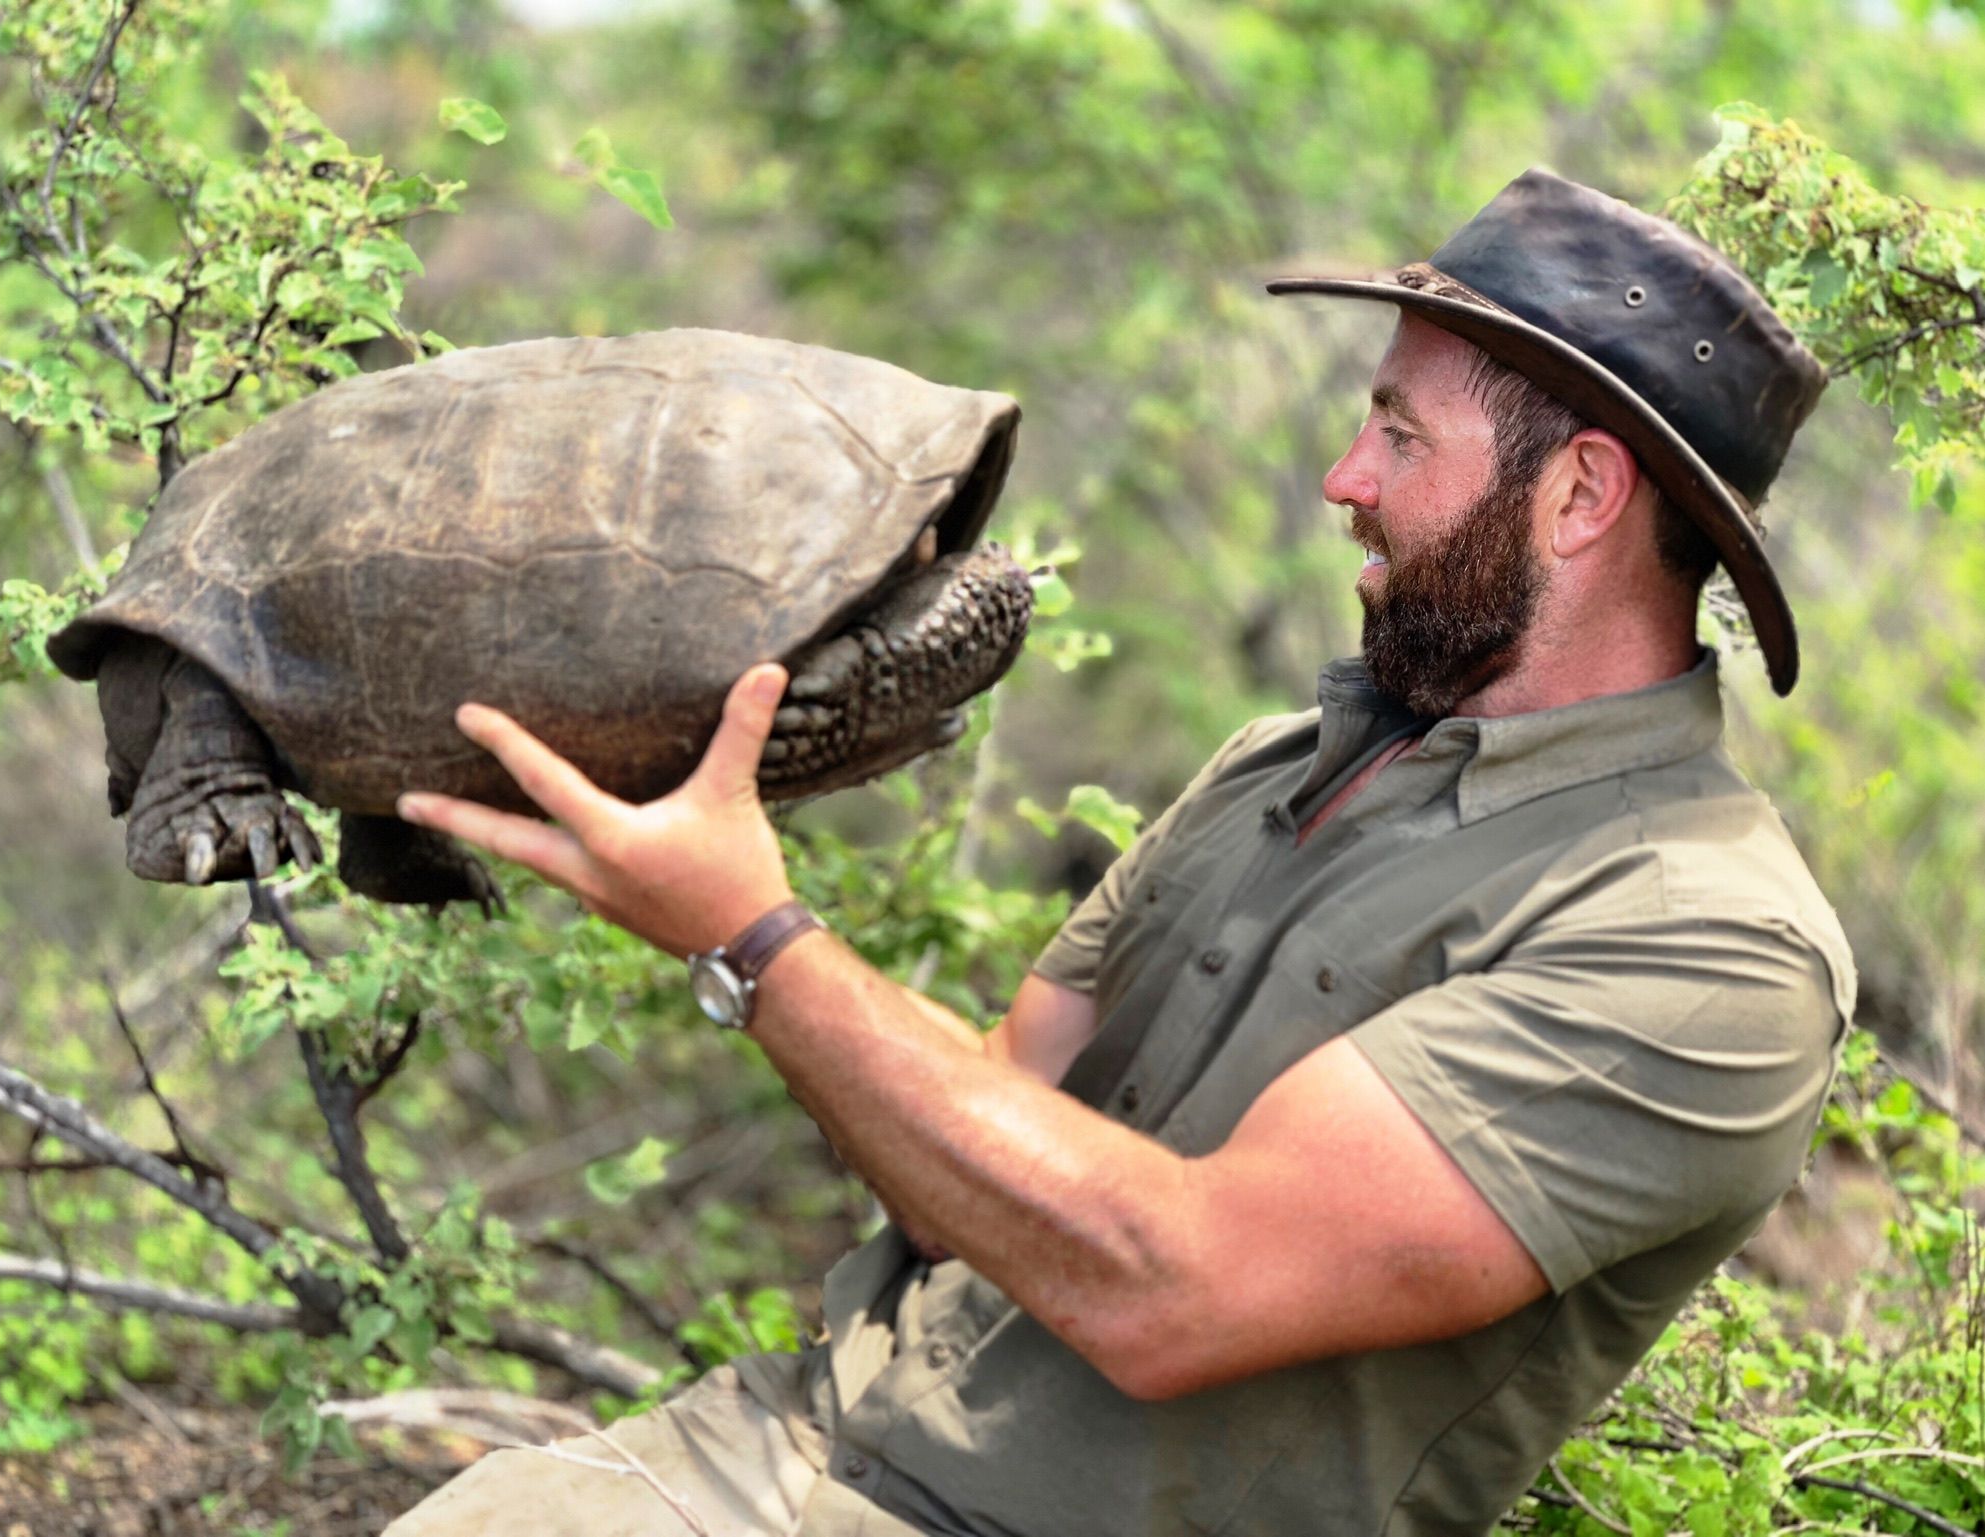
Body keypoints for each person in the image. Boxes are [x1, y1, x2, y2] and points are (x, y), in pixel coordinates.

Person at [384, 170, 1855, 1536]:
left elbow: (1178, 1289)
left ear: (1579, 495)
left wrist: (753, 938)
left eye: (1400, 432)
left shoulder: (1706, 942)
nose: (1344, 476)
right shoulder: (1272, 768)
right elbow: (959, 1145)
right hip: (799, 1436)